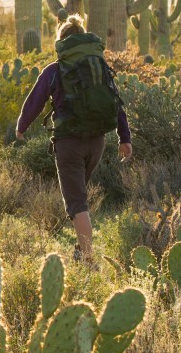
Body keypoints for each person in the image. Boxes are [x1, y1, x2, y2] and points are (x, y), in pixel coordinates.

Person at [14, 15, 132, 262]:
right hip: (97, 143)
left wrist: (22, 125)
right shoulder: (98, 68)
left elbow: (35, 101)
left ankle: (89, 260)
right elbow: (116, 102)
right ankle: (81, 250)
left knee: (77, 204)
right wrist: (125, 138)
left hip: (69, 144)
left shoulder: (54, 71)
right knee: (78, 197)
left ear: (62, 43)